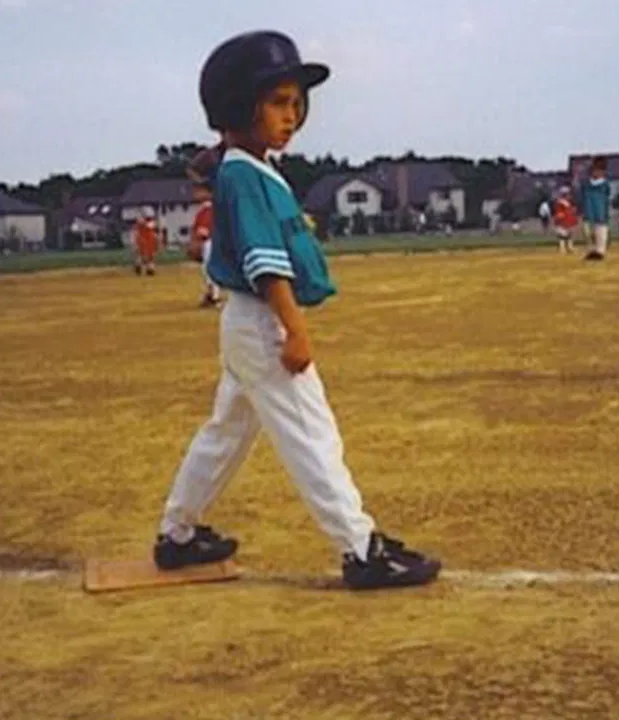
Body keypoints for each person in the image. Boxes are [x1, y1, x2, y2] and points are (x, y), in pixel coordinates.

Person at [152, 30, 442, 590]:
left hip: (248, 323)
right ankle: (360, 549)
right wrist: (295, 330)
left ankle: (178, 535)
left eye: (296, 103)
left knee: (225, 433)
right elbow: (266, 265)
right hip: (264, 320)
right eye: (277, 103)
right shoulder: (243, 174)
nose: (292, 115)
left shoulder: (250, 169)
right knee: (312, 432)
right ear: (239, 108)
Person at [186, 146, 223, 307]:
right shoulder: (214, 206)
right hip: (215, 241)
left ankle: (213, 295)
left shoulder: (208, 208)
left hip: (211, 242)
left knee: (210, 269)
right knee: (209, 269)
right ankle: (212, 293)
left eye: (198, 190)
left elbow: (203, 232)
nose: (194, 193)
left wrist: (196, 241)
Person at [578, 156, 612, 261]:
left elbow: (607, 199)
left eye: (599, 170)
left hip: (600, 212)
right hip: (588, 211)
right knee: (587, 231)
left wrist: (606, 211)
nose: (596, 173)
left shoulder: (605, 184)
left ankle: (600, 251)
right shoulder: (586, 184)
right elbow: (581, 196)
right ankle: (591, 250)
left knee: (600, 231)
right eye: (594, 170)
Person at [552, 185, 579, 254]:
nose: (569, 195)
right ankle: (562, 248)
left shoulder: (569, 202)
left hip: (568, 220)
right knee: (562, 235)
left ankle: (570, 247)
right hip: (563, 221)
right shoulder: (560, 202)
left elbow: (572, 210)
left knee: (569, 234)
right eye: (568, 194)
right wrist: (560, 218)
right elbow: (559, 213)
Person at [133, 207, 159, 276]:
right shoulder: (140, 225)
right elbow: (138, 228)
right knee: (141, 255)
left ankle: (149, 269)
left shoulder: (150, 224)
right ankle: (140, 266)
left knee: (149, 256)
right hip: (143, 240)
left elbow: (150, 226)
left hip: (149, 240)